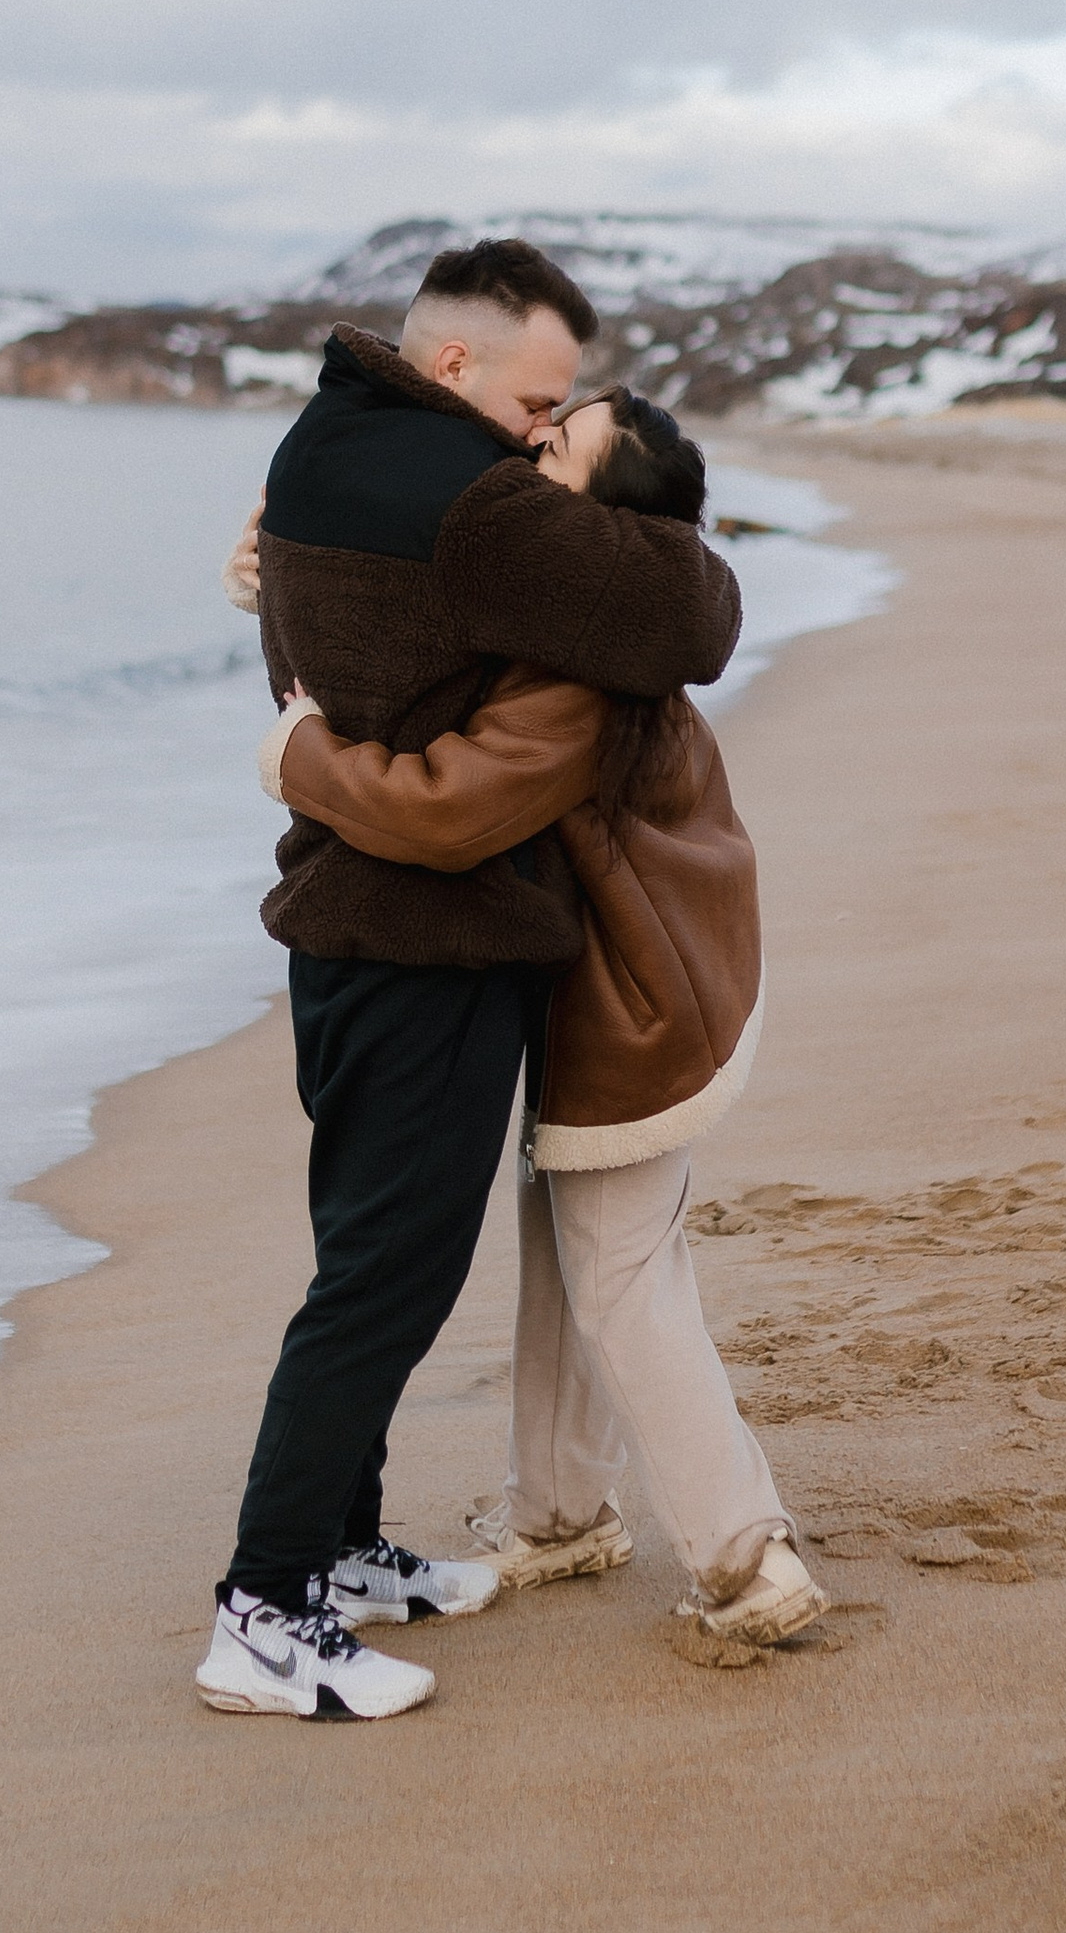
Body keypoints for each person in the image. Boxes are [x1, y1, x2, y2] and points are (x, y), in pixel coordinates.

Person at [195, 241, 741, 1722]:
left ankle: (346, 1541)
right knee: (388, 1274)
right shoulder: (479, 507)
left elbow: (307, 620)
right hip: (422, 943)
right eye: (539, 398)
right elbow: (698, 615)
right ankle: (265, 1607)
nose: (535, 427)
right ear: (454, 369)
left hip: (344, 932)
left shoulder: (319, 445)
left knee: (363, 1254)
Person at [260, 385, 826, 1656]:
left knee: (622, 1272)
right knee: (564, 1243)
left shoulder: (585, 668)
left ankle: (748, 1560)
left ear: (602, 513)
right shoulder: (571, 612)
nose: (524, 444)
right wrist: (269, 572)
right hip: (625, 992)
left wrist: (293, 752)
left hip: (645, 1009)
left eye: (554, 443)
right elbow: (428, 623)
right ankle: (563, 1513)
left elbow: (442, 805)